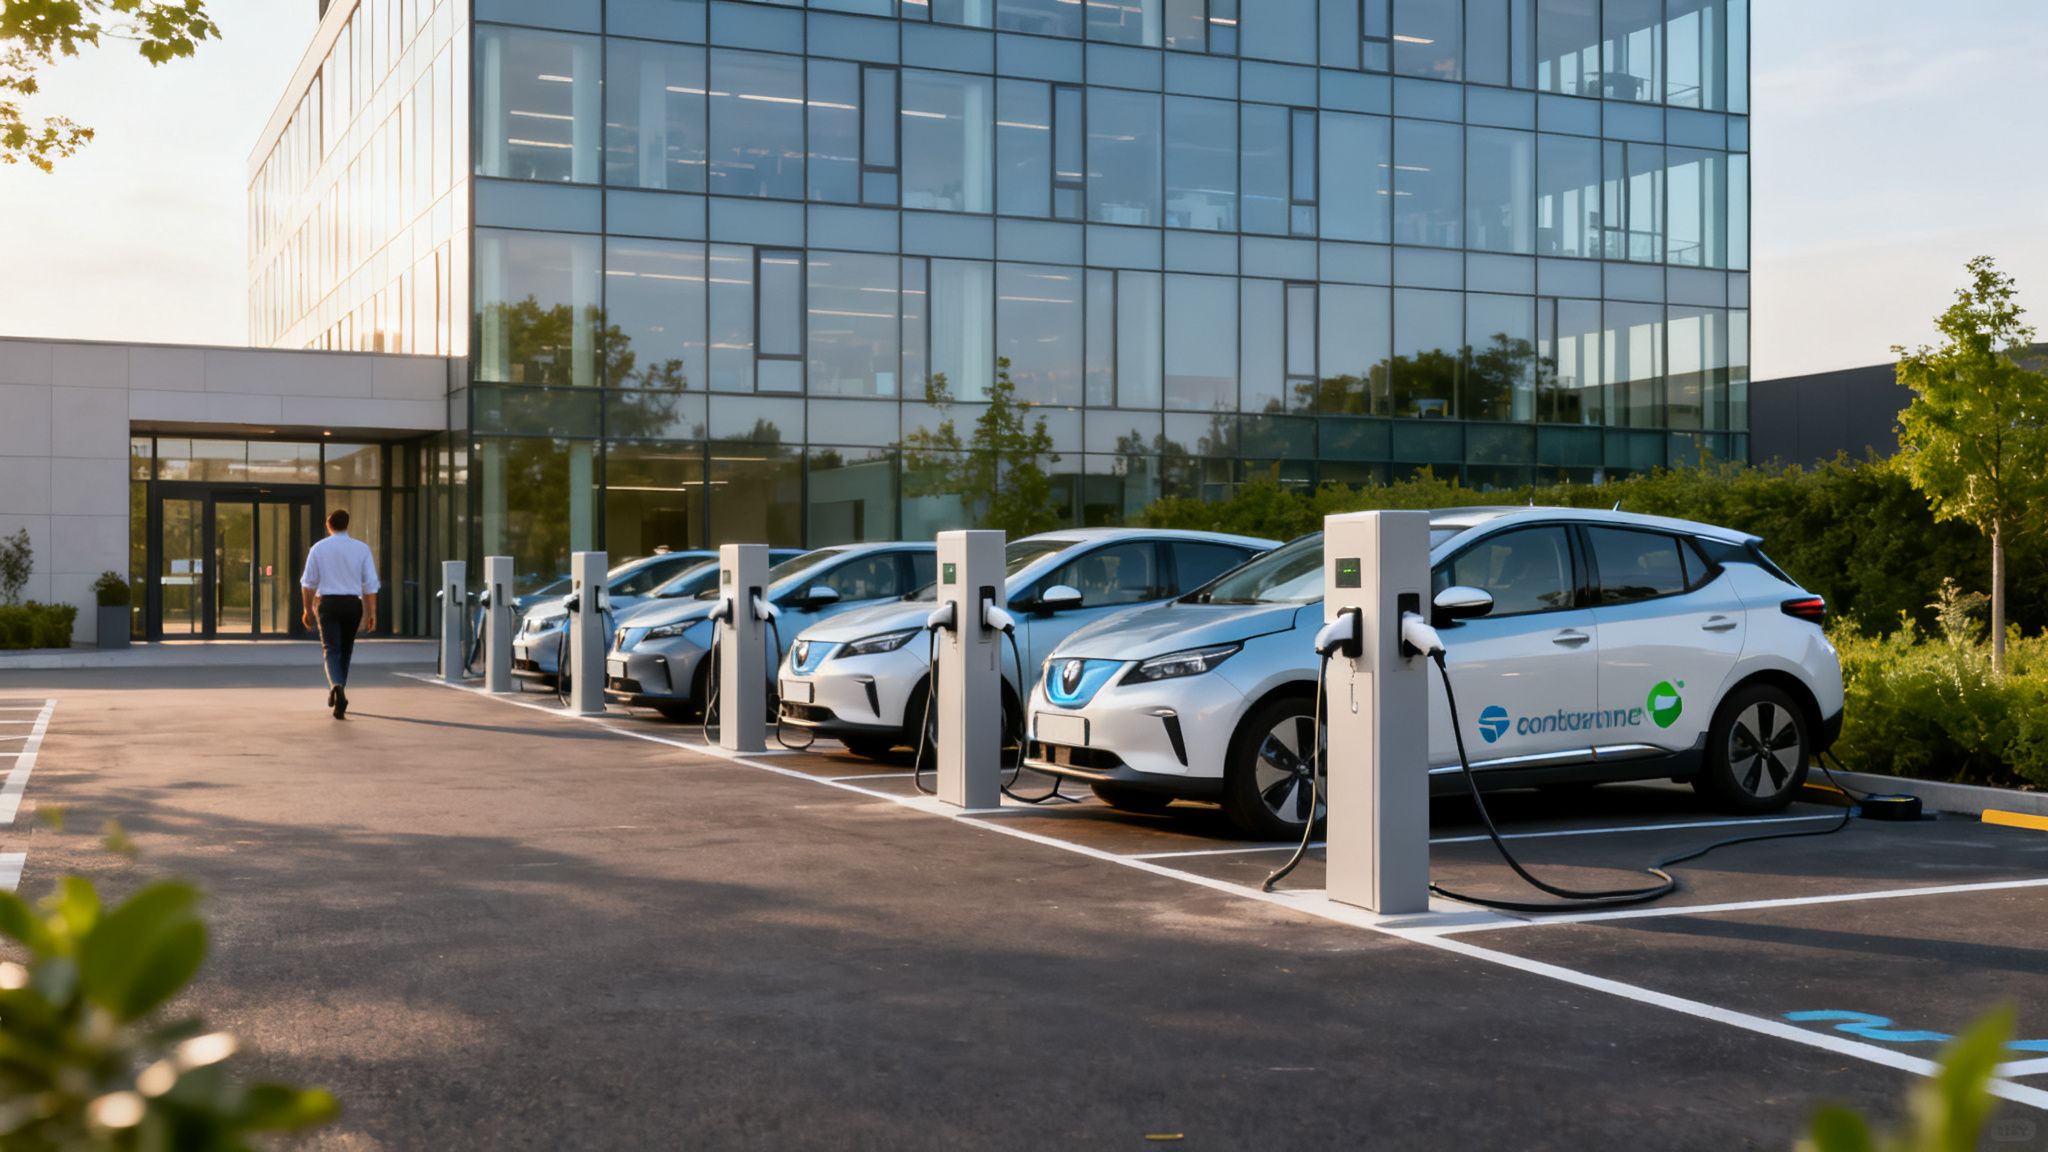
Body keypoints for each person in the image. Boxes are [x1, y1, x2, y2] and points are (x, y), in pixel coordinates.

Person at [300, 509, 379, 719]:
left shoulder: (318, 548)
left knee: (331, 649)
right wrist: (373, 613)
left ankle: (336, 686)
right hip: (353, 604)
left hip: (328, 603)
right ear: (347, 524)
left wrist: (307, 609)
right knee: (346, 649)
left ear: (329, 524)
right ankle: (339, 689)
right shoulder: (362, 549)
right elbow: (371, 584)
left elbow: (307, 583)